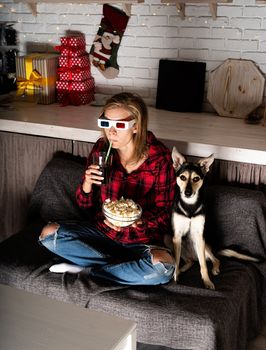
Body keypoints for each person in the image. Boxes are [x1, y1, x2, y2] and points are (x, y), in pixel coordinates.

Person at [39, 92, 176, 285]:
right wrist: (86, 184)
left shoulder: (159, 158)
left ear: (136, 126)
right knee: (49, 234)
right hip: (102, 233)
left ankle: (90, 270)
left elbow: (164, 213)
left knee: (163, 269)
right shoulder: (101, 150)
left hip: (141, 240)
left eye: (119, 125)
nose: (111, 132)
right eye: (106, 123)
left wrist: (137, 223)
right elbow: (85, 205)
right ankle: (120, 269)